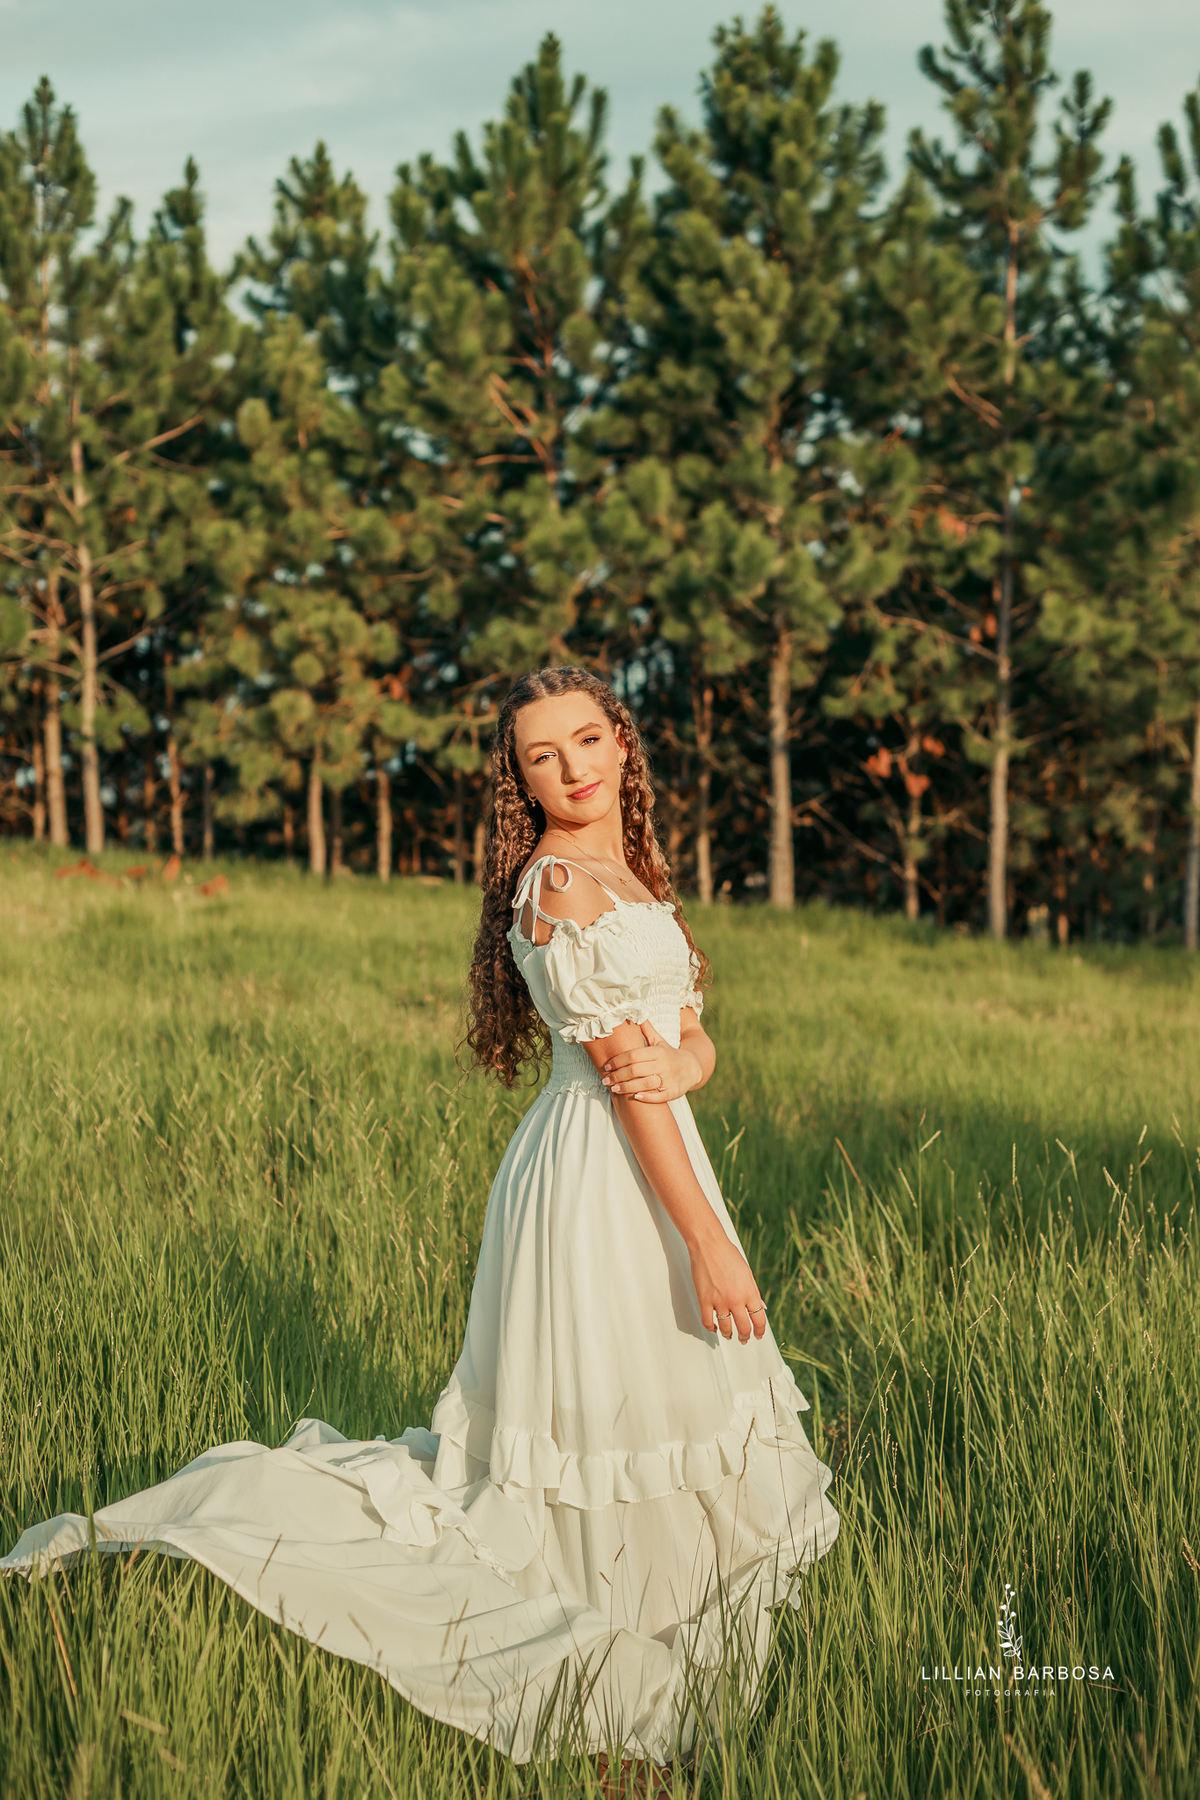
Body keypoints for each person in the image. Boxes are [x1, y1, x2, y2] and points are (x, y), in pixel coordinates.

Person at [2, 666, 839, 1797]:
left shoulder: (634, 868)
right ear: (518, 780)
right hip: (603, 1175)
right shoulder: (553, 886)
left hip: (663, 1150)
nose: (572, 768)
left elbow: (685, 1041)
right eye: (543, 756)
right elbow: (626, 1086)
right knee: (611, 1410)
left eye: (588, 740)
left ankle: (686, 1637)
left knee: (678, 1395)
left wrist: (686, 1061)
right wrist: (706, 1238)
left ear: (622, 744)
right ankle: (608, 1683)